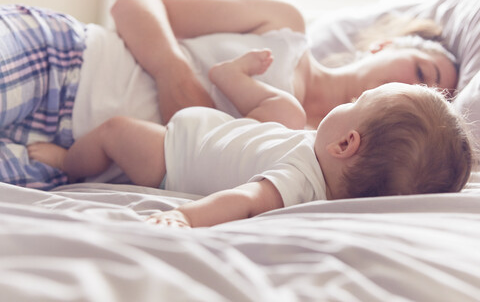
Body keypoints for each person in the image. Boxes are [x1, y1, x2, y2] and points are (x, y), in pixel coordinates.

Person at [0, 0, 459, 189]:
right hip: (65, 63)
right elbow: (134, 5)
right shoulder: (285, 25)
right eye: (421, 71)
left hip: (76, 167)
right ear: (386, 44)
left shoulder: (326, 158)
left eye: (424, 99)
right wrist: (172, 72)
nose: (407, 87)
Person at [27, 53, 473, 227]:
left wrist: (183, 217)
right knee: (289, 114)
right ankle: (229, 76)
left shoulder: (293, 181)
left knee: (116, 132)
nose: (348, 100)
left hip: (172, 153)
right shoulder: (317, 160)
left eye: (356, 101)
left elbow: (243, 199)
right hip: (228, 131)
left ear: (345, 144)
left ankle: (68, 159)